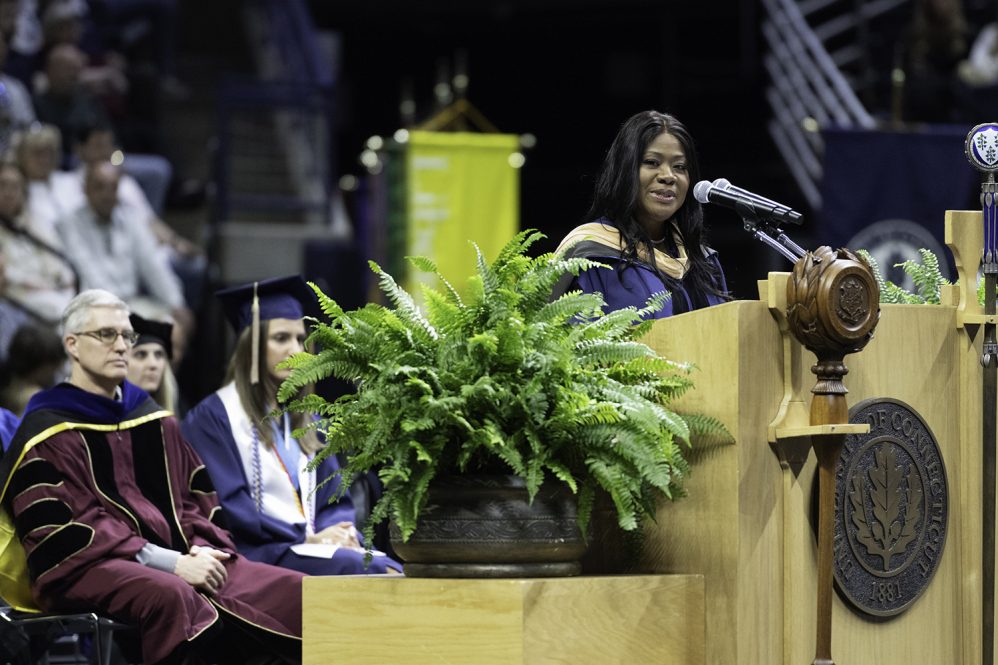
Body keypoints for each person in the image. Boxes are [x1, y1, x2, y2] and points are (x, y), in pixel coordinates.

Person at [0, 289, 303, 664]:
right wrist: (172, 563)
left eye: (127, 336)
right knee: (174, 596)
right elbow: (72, 530)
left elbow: (195, 501)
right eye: (106, 334)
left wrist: (201, 547)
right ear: (73, 345)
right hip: (86, 566)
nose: (121, 346)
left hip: (180, 557)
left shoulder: (153, 420)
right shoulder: (49, 431)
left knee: (295, 591)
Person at [181, 276, 401, 575]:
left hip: (310, 550)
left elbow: (334, 499)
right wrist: (308, 537)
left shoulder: (310, 420)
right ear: (252, 347)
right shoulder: (214, 418)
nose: (295, 349)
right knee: (370, 570)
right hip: (254, 554)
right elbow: (228, 507)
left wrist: (338, 533)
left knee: (392, 566)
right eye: (281, 338)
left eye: (300, 339)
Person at [553, 110, 727, 318]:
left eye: (680, 167)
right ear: (625, 169)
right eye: (652, 162)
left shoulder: (703, 262)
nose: (668, 176)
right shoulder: (591, 253)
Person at [56, 160, 192, 337]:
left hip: (133, 303)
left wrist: (176, 304)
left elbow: (153, 266)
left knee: (177, 326)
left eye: (113, 187)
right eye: (99, 187)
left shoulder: (130, 218)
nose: (107, 194)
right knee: (152, 334)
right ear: (86, 189)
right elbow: (90, 276)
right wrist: (135, 318)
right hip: (94, 308)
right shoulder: (70, 223)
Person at [127, 311, 179, 414]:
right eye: (141, 354)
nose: (153, 364)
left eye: (159, 355)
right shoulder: (108, 422)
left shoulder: (171, 422)